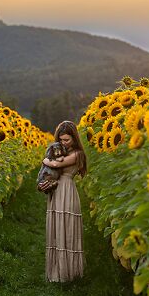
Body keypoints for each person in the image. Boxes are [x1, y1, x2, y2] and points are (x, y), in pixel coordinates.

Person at [41, 120, 88, 282]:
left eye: (67, 139)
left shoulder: (77, 154)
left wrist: (45, 161)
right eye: (61, 140)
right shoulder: (61, 150)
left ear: (74, 138)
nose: (63, 143)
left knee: (67, 225)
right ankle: (57, 271)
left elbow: (54, 163)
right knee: (57, 225)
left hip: (67, 191)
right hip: (56, 190)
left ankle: (69, 273)